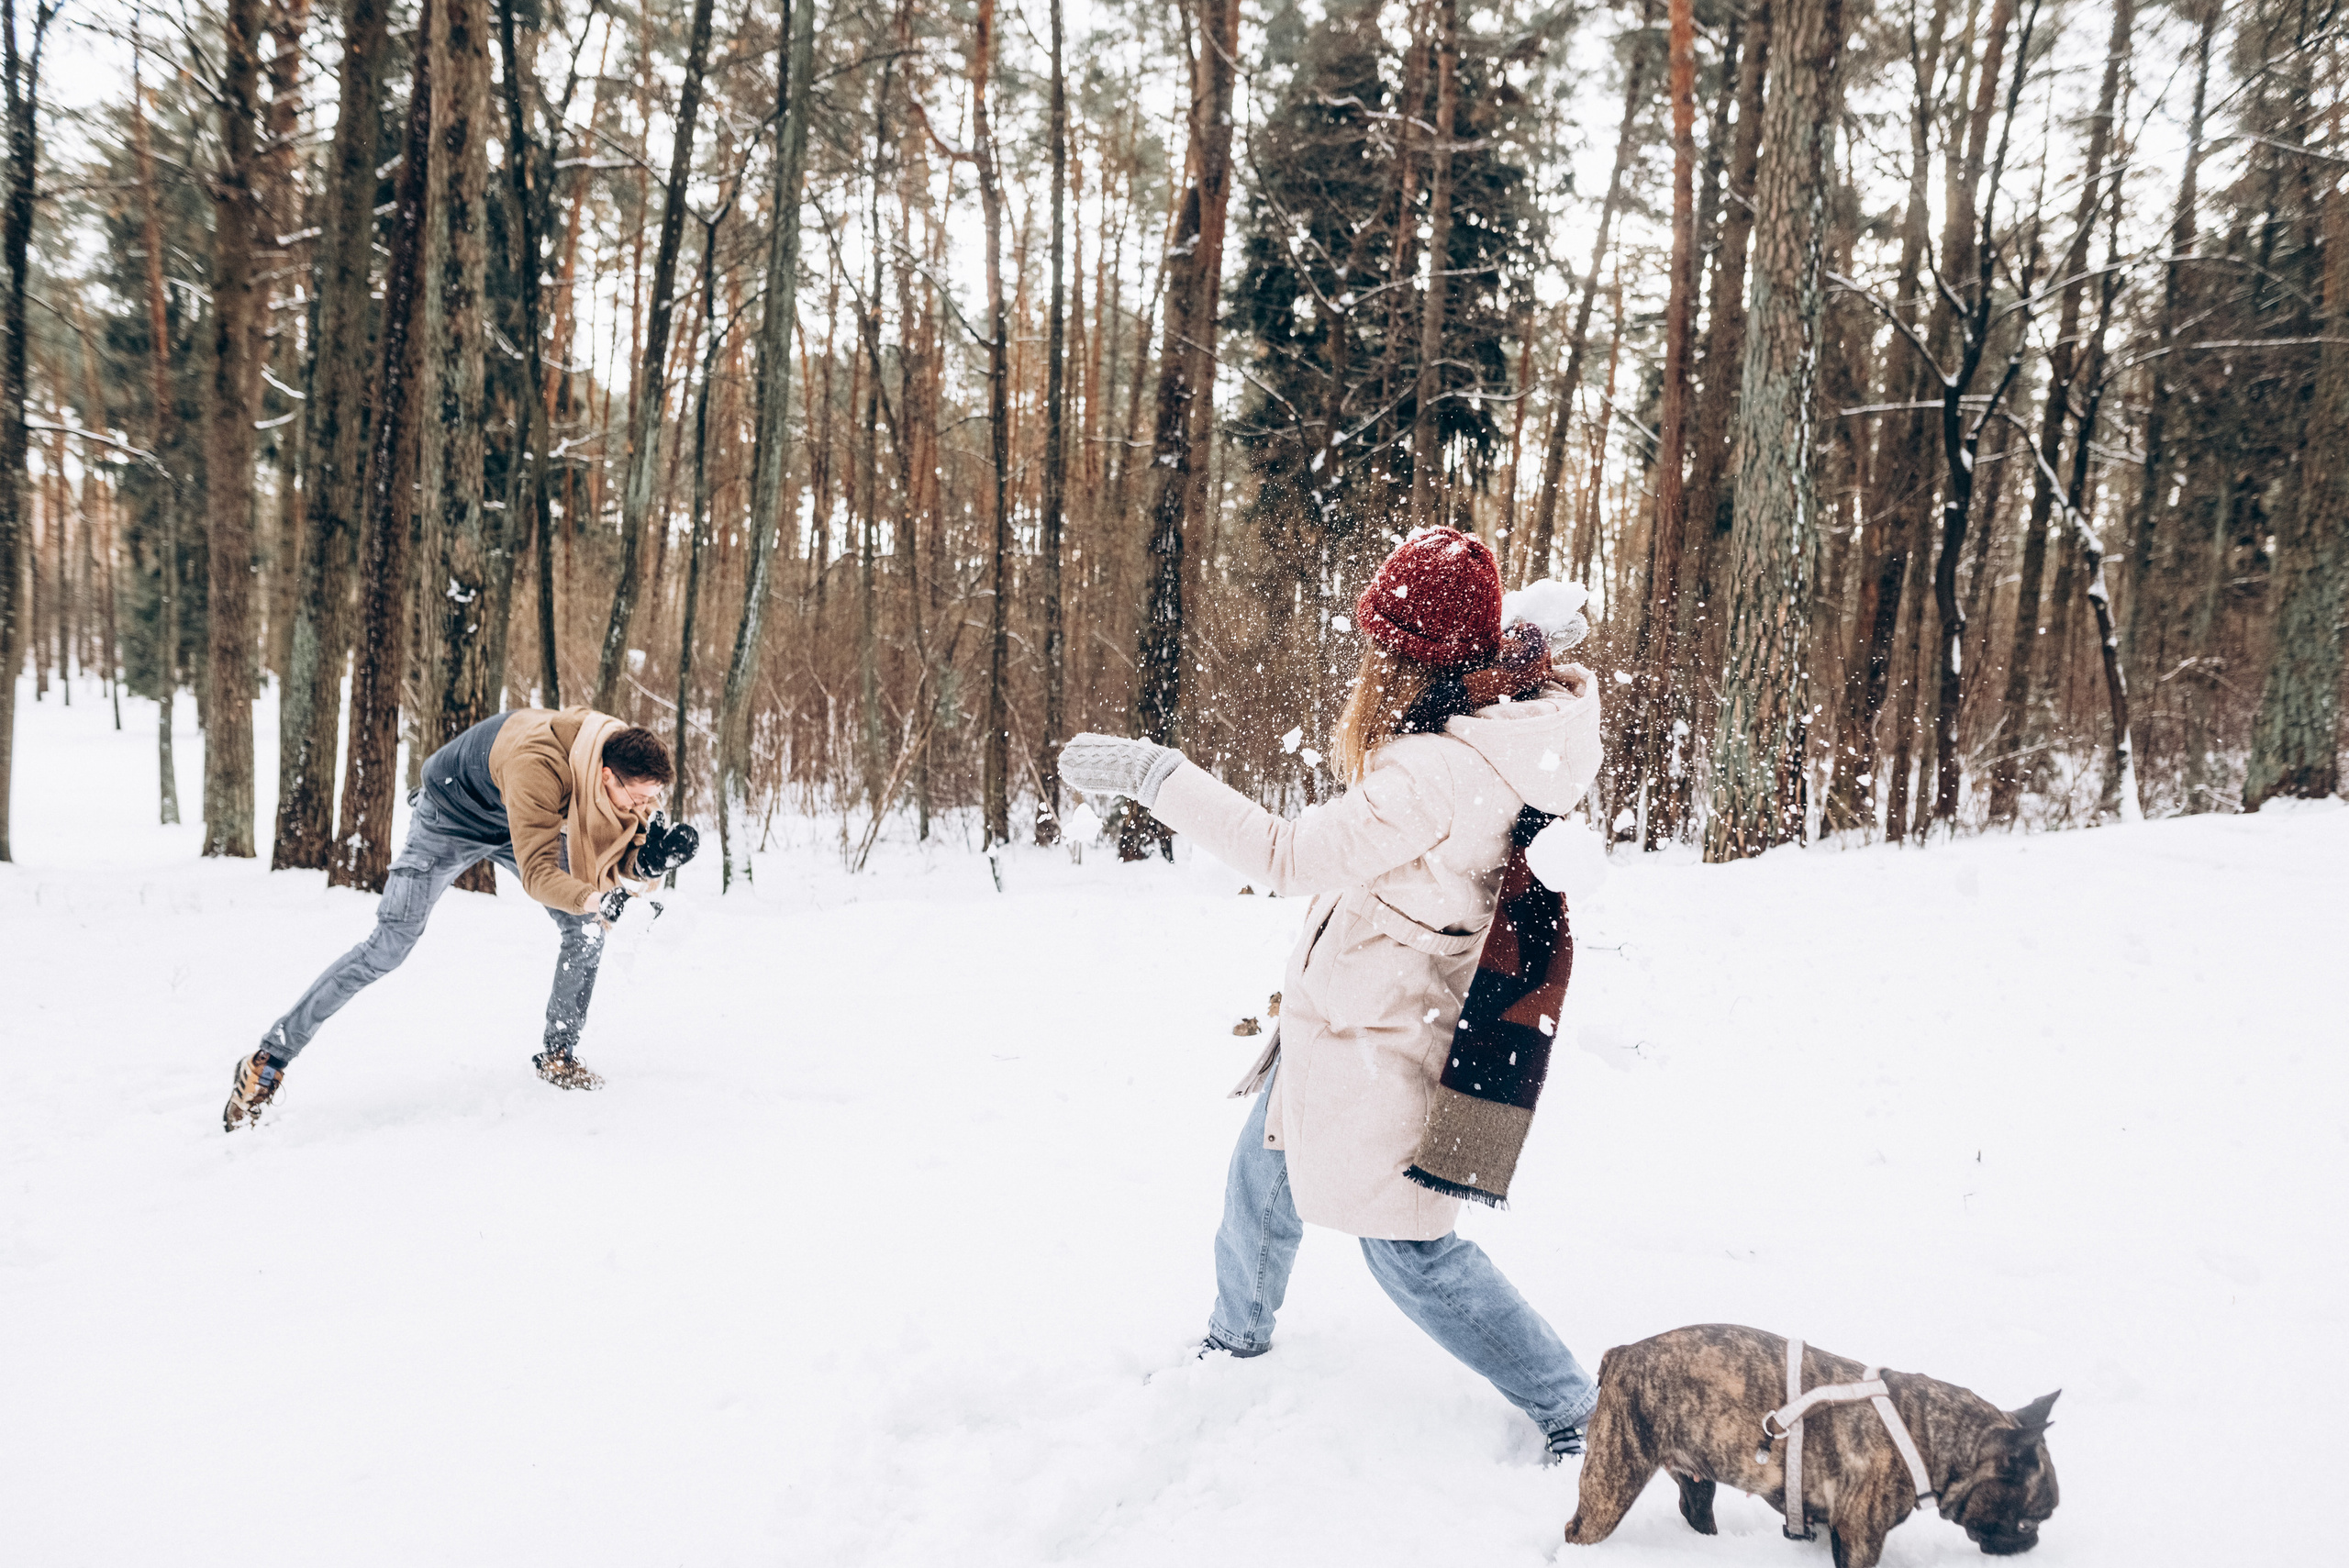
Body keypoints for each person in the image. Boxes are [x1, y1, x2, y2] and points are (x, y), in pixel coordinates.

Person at [1058, 527, 1605, 1458]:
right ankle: (1237, 1335)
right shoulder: (1500, 711)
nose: (1370, 662)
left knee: (1411, 1249)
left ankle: (1575, 1410)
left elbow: (1286, 857)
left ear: (1411, 656)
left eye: (1383, 644)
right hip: (1352, 1013)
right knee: (1260, 1180)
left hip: (1382, 1036)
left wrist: (1158, 774)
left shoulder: (1434, 770)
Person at [223, 707, 698, 1129]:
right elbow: (538, 874)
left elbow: (609, 849)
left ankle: (559, 1055)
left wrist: (645, 863)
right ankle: (269, 1057)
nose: (642, 809)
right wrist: (599, 900)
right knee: (388, 947)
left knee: (585, 931)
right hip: (449, 816)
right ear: (603, 773)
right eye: (635, 799)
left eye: (649, 800)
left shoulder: (613, 755)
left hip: (516, 818)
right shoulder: (540, 765)